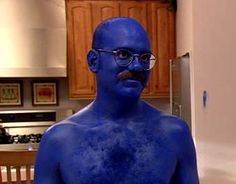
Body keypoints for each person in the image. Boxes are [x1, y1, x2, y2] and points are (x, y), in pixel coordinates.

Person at [34, 17, 199, 184]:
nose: (136, 66)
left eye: (144, 57)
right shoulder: (59, 140)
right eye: (123, 55)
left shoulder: (175, 134)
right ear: (94, 61)